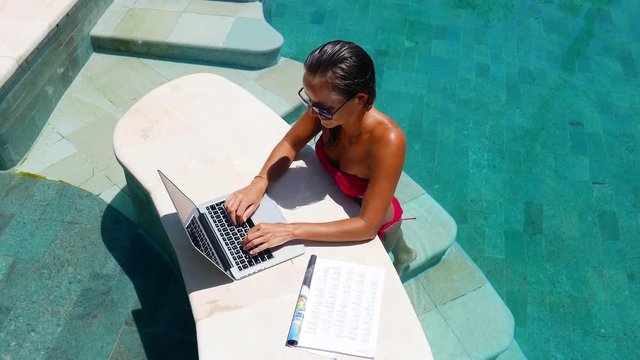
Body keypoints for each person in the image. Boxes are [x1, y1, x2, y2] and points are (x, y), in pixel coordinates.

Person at [224, 40, 416, 274]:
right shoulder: (326, 111)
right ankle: (406, 252)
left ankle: (405, 256)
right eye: (309, 101)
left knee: (389, 256)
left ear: (361, 99)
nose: (313, 113)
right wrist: (260, 181)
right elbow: (291, 141)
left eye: (323, 108)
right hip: (344, 203)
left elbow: (367, 225)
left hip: (376, 221)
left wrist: (290, 230)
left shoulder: (388, 141)